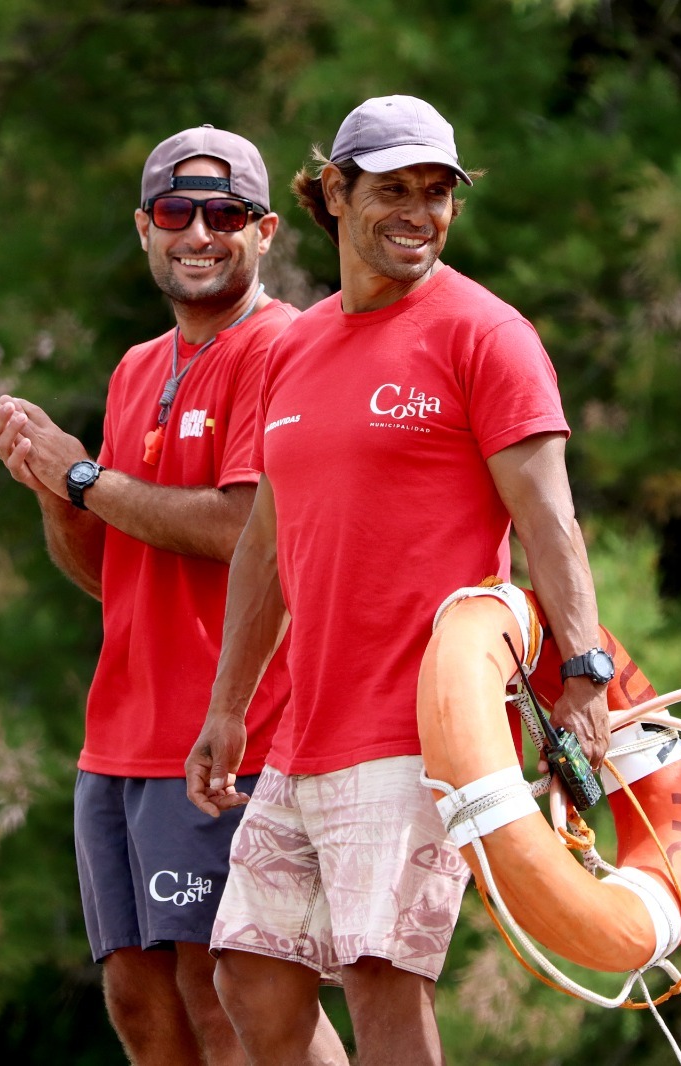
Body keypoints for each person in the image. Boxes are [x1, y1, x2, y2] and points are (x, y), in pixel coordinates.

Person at [184, 95, 613, 1065]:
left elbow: (550, 518)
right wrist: (229, 706)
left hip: (420, 728)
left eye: (436, 193)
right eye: (392, 190)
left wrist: (583, 666)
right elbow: (264, 543)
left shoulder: (484, 335)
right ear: (332, 193)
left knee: (382, 976)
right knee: (249, 976)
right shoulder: (293, 347)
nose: (418, 212)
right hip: (305, 732)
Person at [0, 126, 346, 1065]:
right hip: (119, 738)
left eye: (225, 214)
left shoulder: (288, 348)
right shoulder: (136, 366)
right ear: (145, 228)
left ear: (265, 232)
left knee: (231, 996)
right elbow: (110, 572)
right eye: (177, 213)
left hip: (232, 733)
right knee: (139, 1001)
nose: (199, 232)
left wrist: (84, 480)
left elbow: (241, 527)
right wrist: (52, 490)